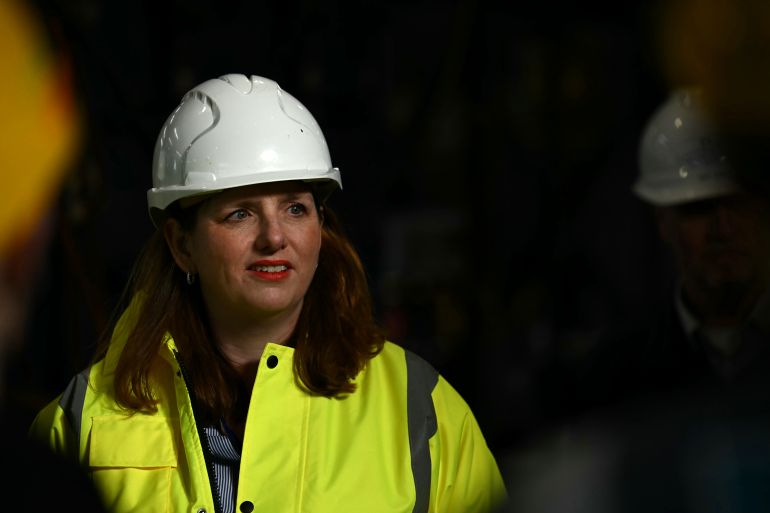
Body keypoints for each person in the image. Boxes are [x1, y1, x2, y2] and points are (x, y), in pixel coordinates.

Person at [29, 73, 506, 513]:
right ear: (181, 245)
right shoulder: (82, 421)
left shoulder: (421, 412)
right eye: (240, 213)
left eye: (295, 208)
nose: (274, 237)